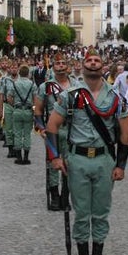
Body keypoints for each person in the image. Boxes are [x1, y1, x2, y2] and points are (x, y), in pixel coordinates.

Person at [45, 47, 128, 255]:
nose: (93, 63)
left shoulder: (115, 97)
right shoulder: (70, 96)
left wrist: (121, 165)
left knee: (101, 212)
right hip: (78, 160)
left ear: (103, 66)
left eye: (97, 60)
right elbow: (52, 126)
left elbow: (125, 135)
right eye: (89, 60)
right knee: (82, 212)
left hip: (104, 159)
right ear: (83, 66)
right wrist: (55, 157)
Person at [35, 56, 71, 209]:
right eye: (58, 63)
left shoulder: (77, 85)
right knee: (52, 164)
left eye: (63, 63)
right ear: (53, 67)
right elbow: (38, 110)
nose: (61, 65)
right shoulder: (45, 86)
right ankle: (55, 196)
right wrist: (41, 128)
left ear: (68, 66)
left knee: (70, 164)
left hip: (72, 131)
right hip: (52, 131)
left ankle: (65, 196)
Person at [8, 65, 36, 165]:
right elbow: (35, 99)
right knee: (27, 134)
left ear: (19, 73)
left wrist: (15, 105)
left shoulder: (15, 83)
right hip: (28, 110)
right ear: (28, 73)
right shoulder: (32, 84)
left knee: (18, 134)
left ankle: (19, 157)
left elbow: (9, 98)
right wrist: (34, 109)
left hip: (18, 110)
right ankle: (26, 157)